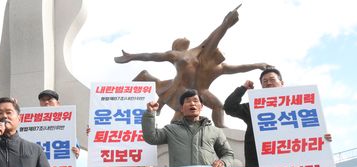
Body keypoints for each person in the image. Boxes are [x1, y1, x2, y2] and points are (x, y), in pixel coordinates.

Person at [114, 5, 269, 127]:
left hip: (200, 91)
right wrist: (132, 56)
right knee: (179, 116)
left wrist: (226, 24)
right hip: (180, 88)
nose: (185, 37)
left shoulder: (211, 61)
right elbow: (151, 55)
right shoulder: (179, 54)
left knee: (217, 105)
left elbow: (218, 43)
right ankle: (130, 96)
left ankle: (220, 126)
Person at [142, 89, 234, 167]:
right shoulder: (171, 129)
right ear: (181, 108)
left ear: (201, 106)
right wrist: (150, 113)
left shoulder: (215, 131)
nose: (192, 103)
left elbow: (228, 154)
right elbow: (151, 137)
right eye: (188, 101)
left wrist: (222, 162)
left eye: (195, 100)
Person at [38, 89, 80, 159]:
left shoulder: (67, 122)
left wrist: (77, 151)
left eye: (49, 99)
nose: (46, 102)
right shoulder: (31, 122)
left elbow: (75, 146)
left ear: (58, 104)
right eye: (43, 100)